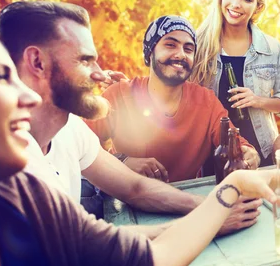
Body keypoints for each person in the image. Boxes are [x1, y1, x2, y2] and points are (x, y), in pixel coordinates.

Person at [0, 33, 280, 266]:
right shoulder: (115, 99)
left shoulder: (28, 186)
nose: (101, 72)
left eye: (188, 47)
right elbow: (145, 255)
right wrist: (213, 209)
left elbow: (136, 221)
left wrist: (225, 189)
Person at [0, 2, 260, 234]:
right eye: (85, 60)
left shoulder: (70, 131)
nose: (100, 73)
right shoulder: (11, 163)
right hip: (130, 218)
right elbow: (93, 243)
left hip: (174, 201)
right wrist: (208, 219)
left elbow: (136, 188)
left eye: (189, 48)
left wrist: (211, 207)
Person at [88, 14, 261, 180]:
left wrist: (249, 153)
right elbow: (78, 145)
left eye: (188, 48)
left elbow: (237, 144)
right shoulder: (118, 95)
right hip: (125, 198)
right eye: (170, 45)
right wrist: (123, 161)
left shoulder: (206, 101)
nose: (180, 54)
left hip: (185, 198)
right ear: (150, 52)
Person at [191, 0, 280, 167]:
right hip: (210, 153)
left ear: (258, 8)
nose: (236, 4)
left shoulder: (271, 48)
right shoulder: (197, 44)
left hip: (260, 151)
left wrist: (258, 100)